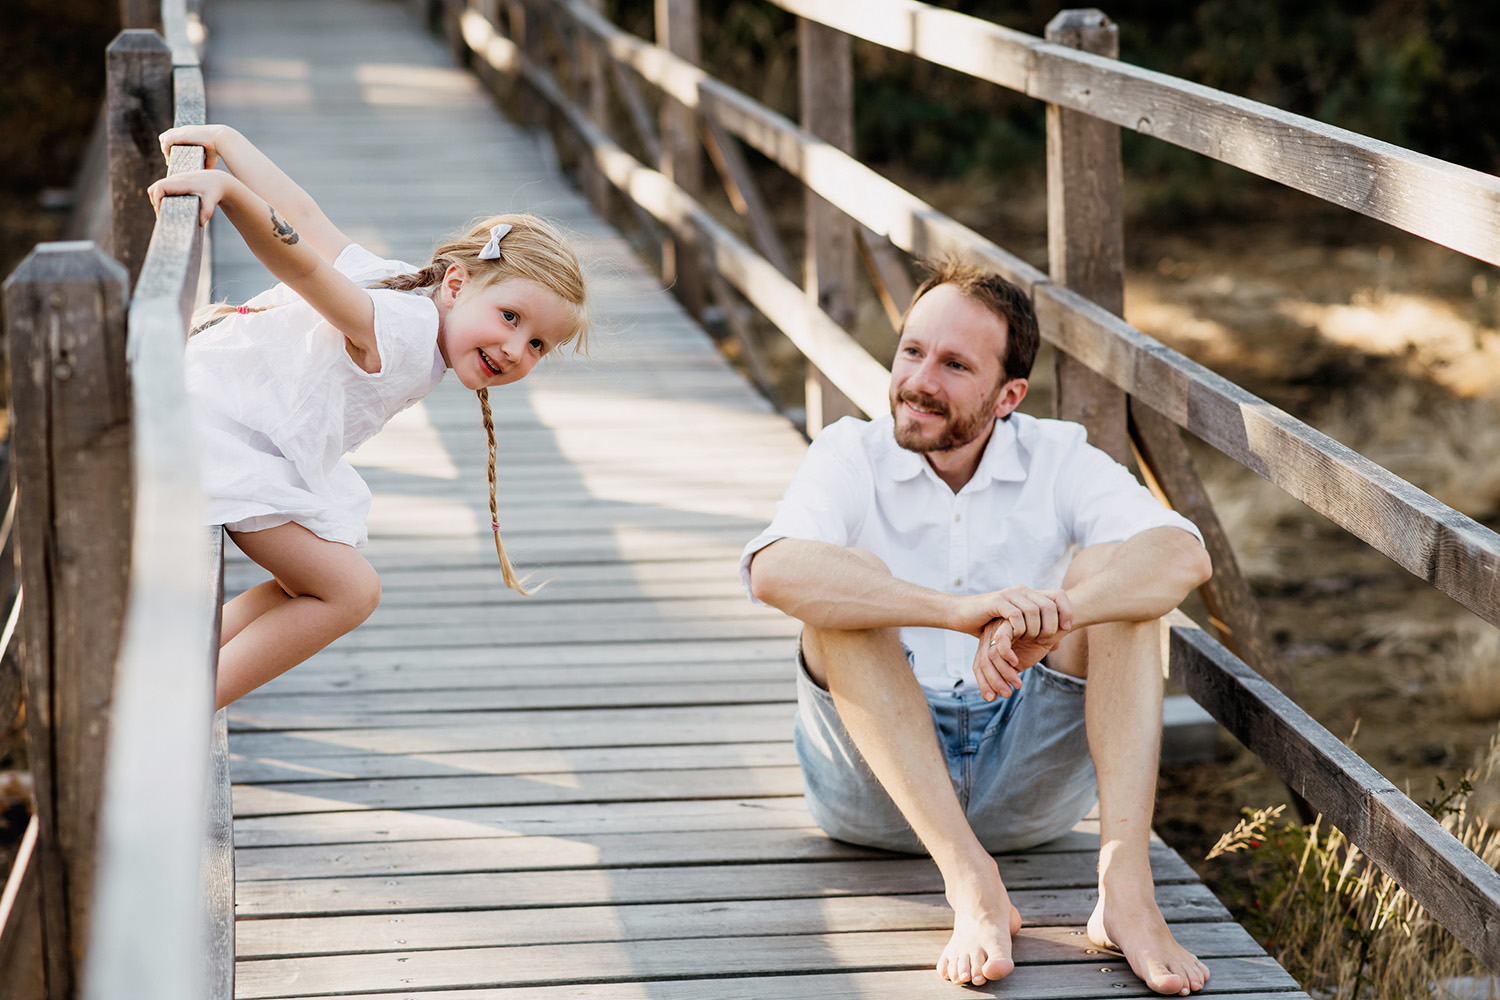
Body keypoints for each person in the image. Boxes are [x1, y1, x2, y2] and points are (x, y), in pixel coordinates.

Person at [740, 257, 1214, 996]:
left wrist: (1055, 616)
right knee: (847, 582)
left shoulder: (1059, 457)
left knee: (1119, 579)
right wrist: (956, 613)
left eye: (955, 365)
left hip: (1029, 783)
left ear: (1007, 396)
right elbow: (773, 572)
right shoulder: (847, 453)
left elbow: (1182, 556)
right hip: (876, 794)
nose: (919, 381)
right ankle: (970, 882)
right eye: (912, 352)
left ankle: (1127, 892)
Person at [147, 124, 589, 710]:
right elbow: (301, 265)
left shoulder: (402, 284)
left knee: (316, 585)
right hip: (218, 433)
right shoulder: (406, 332)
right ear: (456, 284)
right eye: (511, 317)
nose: (516, 349)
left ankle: (171, 668)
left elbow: (304, 215)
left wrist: (228, 140)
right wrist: (229, 190)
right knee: (350, 592)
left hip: (219, 409)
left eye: (538, 345)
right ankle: (175, 707)